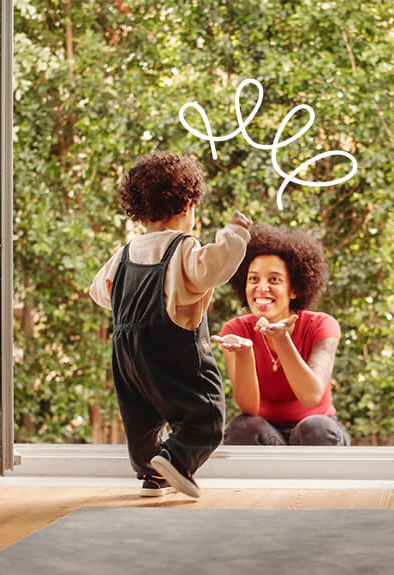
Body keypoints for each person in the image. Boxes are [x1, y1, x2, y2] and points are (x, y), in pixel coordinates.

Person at [89, 151, 251, 498]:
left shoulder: (125, 253)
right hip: (172, 347)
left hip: (127, 353)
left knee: (142, 420)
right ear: (186, 206)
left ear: (140, 211)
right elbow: (214, 268)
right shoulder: (183, 247)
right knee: (205, 415)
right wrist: (236, 233)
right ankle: (177, 461)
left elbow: (99, 291)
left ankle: (154, 473)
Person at [211, 224, 350, 446]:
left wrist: (282, 339)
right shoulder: (235, 331)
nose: (261, 287)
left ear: (294, 289)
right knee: (242, 427)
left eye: (274, 280)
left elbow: (311, 396)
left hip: (318, 431)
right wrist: (245, 353)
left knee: (314, 428)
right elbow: (248, 408)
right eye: (253, 279)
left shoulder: (322, 325)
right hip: (267, 434)